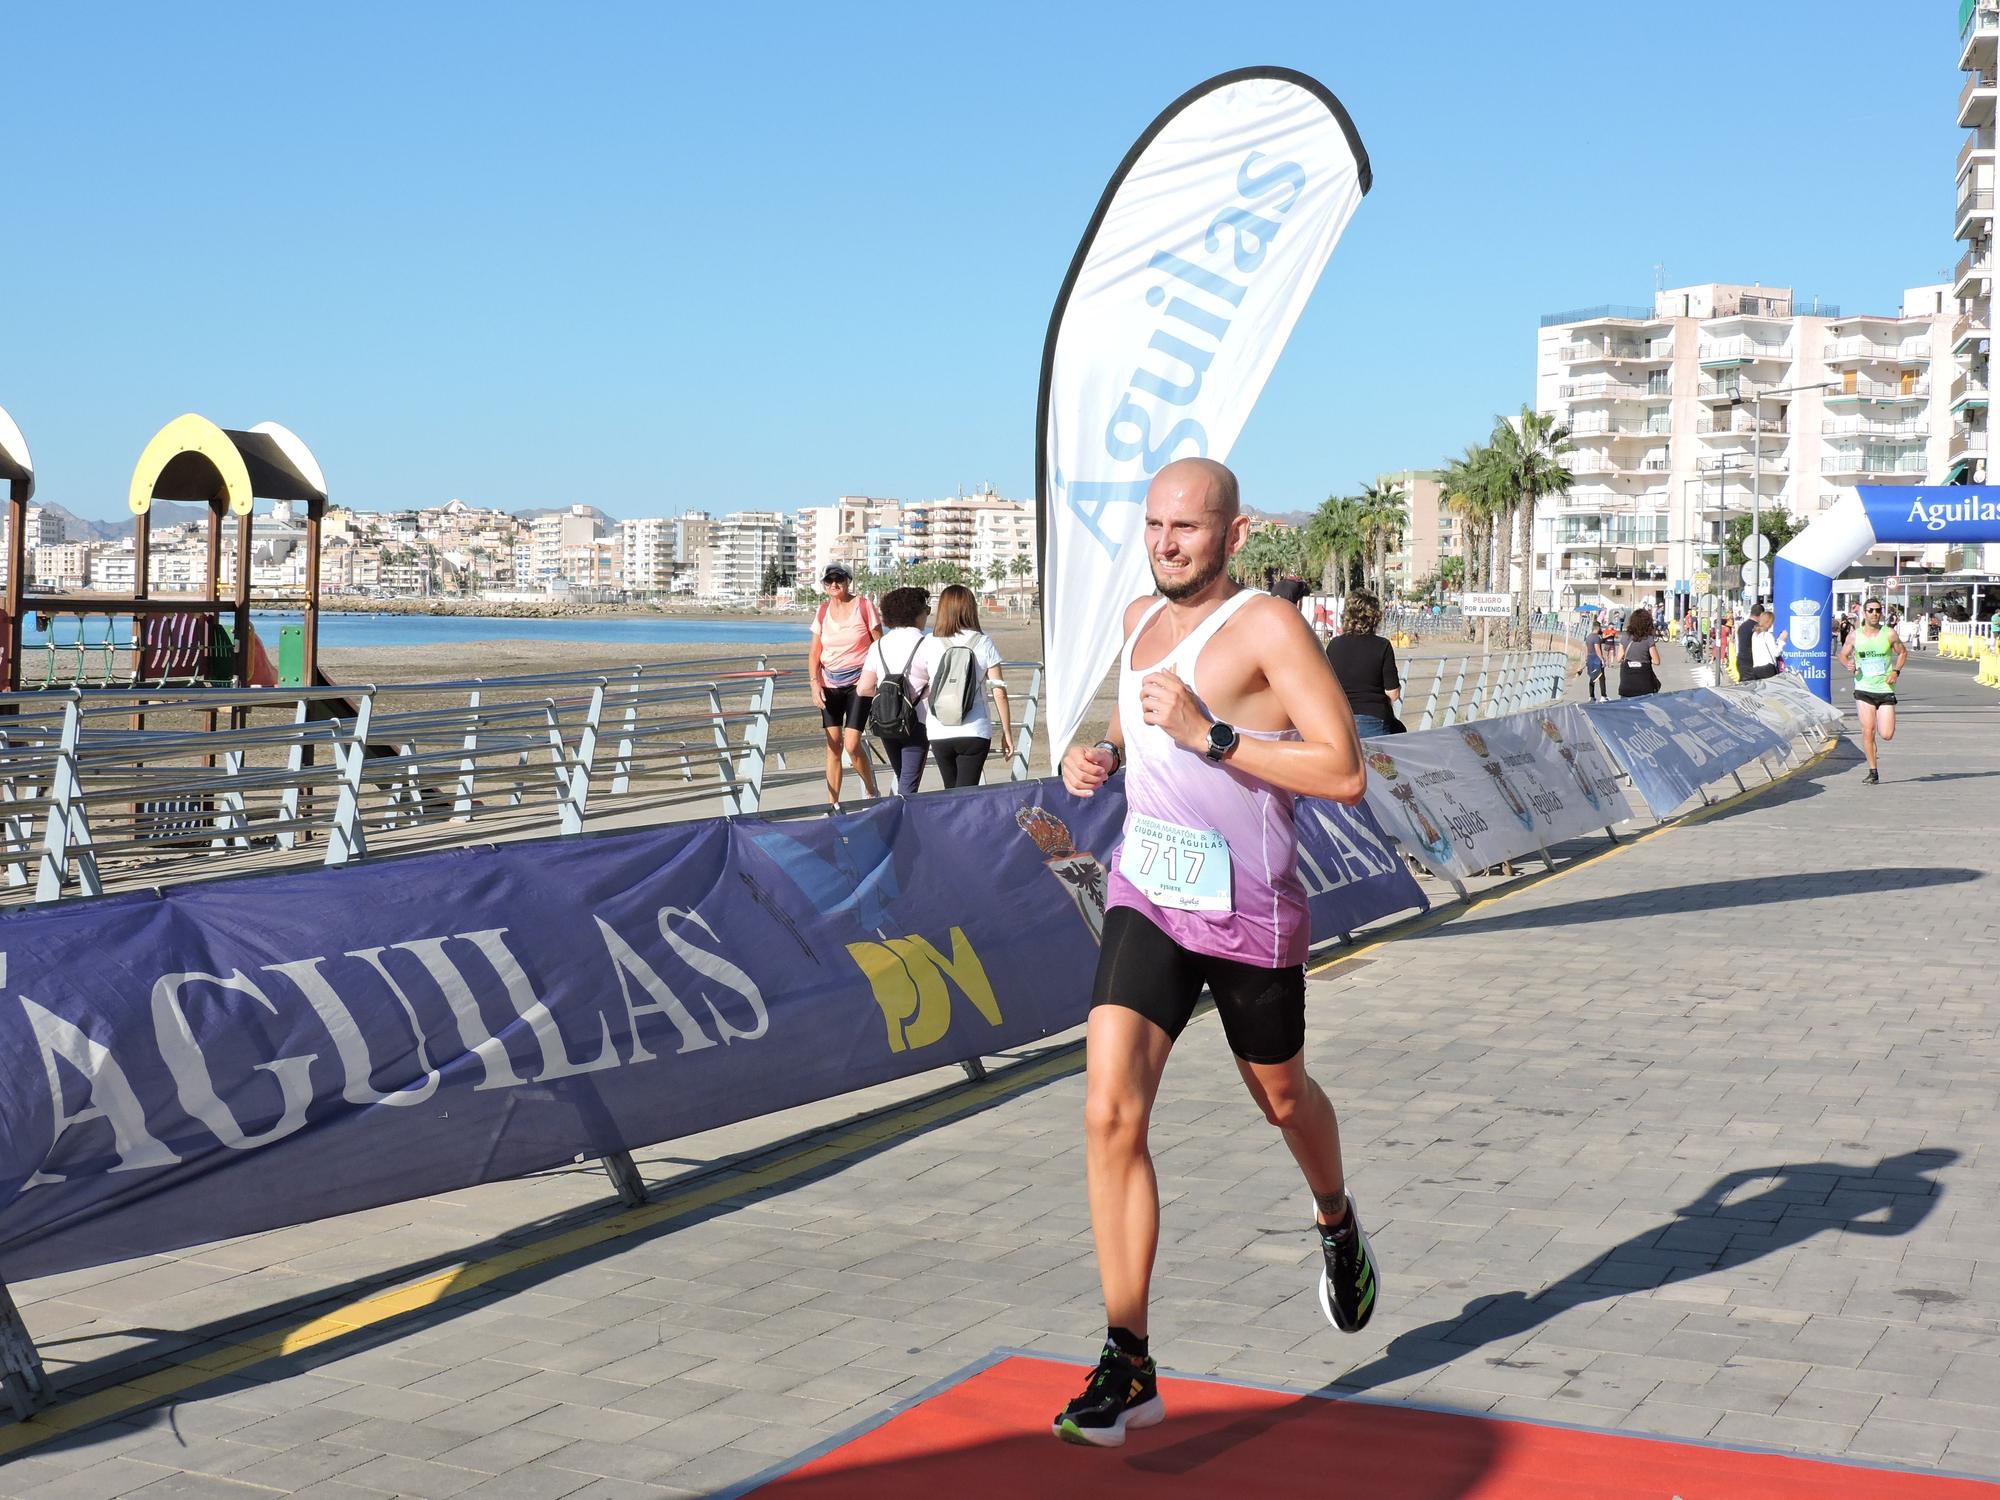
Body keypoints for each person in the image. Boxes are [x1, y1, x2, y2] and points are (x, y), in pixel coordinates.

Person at [1053, 457, 1376, 1448]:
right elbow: (1135, 725)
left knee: (1281, 1097)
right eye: (1153, 526)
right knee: (1107, 1110)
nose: (1163, 544)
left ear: (1233, 536)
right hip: (1146, 893)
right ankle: (1128, 1357)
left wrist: (1216, 737)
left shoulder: (1268, 629)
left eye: (1185, 529)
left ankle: (1334, 1219)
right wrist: (1094, 757)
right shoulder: (1135, 622)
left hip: (1247, 914)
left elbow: (1344, 771)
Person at [917, 584, 1013, 788]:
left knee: (950, 792)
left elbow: (920, 683)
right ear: (971, 608)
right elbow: (999, 691)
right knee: (968, 793)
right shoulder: (983, 642)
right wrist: (1007, 732)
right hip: (974, 729)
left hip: (939, 730)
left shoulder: (929, 642)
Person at [807, 564, 881, 808]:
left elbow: (879, 644)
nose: (834, 584)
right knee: (833, 745)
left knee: (851, 744)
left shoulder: (863, 606)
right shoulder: (823, 611)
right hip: (829, 683)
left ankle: (871, 790)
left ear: (848, 581)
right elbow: (815, 652)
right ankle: (833, 805)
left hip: (859, 683)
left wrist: (879, 677)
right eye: (829, 581)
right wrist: (814, 683)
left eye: (839, 579)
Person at [857, 586, 931, 796]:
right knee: (908, 783)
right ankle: (899, 826)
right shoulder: (926, 644)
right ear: (916, 612)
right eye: (927, 609)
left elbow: (864, 688)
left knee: (902, 777)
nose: (927, 614)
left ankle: (899, 822)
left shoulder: (879, 645)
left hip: (885, 720)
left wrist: (891, 698)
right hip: (918, 721)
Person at [1839, 597, 1907, 784]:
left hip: (1884, 688)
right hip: (1863, 688)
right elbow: (1843, 655)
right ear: (1864, 613)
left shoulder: (1889, 633)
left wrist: (1895, 671)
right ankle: (1873, 771)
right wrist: (1849, 664)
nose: (1875, 614)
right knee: (1868, 730)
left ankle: (1881, 730)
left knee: (1886, 734)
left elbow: (1902, 652)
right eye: (1871, 610)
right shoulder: (1855, 635)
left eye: (1878, 610)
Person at [1322, 590, 1401, 736]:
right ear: (1375, 617)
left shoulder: (1334, 645)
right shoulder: (1382, 645)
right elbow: (1393, 693)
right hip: (1374, 720)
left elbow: (1325, 687)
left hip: (1339, 720)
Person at [1618, 608, 1663, 697]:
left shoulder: (1624, 638)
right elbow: (1656, 661)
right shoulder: (1649, 639)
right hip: (1644, 685)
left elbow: (1619, 658)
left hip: (1626, 685)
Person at [1736, 604, 1785, 682]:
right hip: (1760, 667)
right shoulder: (1762, 633)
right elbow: (1775, 653)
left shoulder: (1744, 627)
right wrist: (1782, 640)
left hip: (1746, 663)